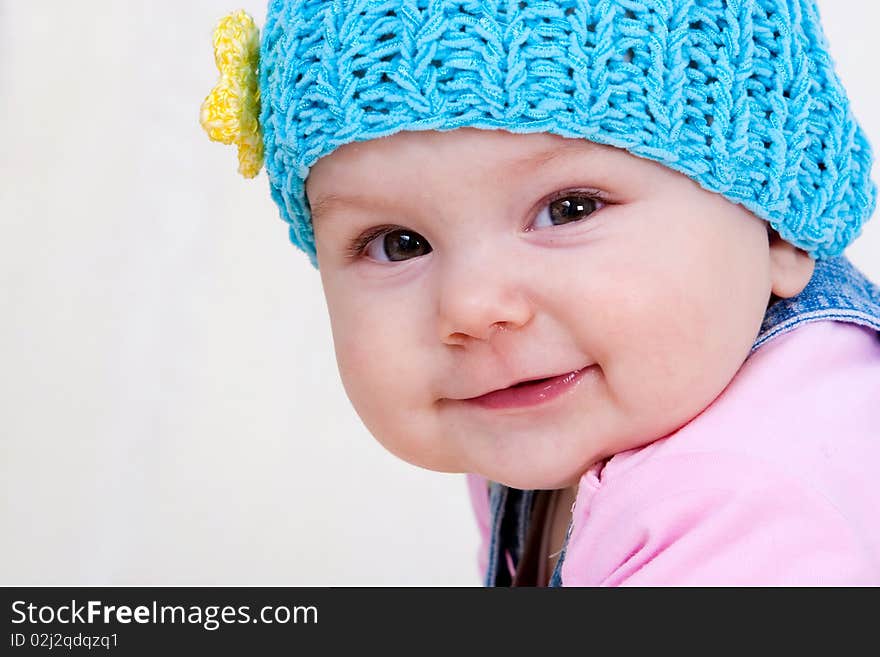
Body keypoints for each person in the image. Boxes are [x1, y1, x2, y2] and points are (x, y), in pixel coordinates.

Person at [200, 1, 880, 585]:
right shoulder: (547, 403)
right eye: (399, 242)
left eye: (569, 209)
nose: (471, 306)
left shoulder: (742, 513)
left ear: (782, 225)